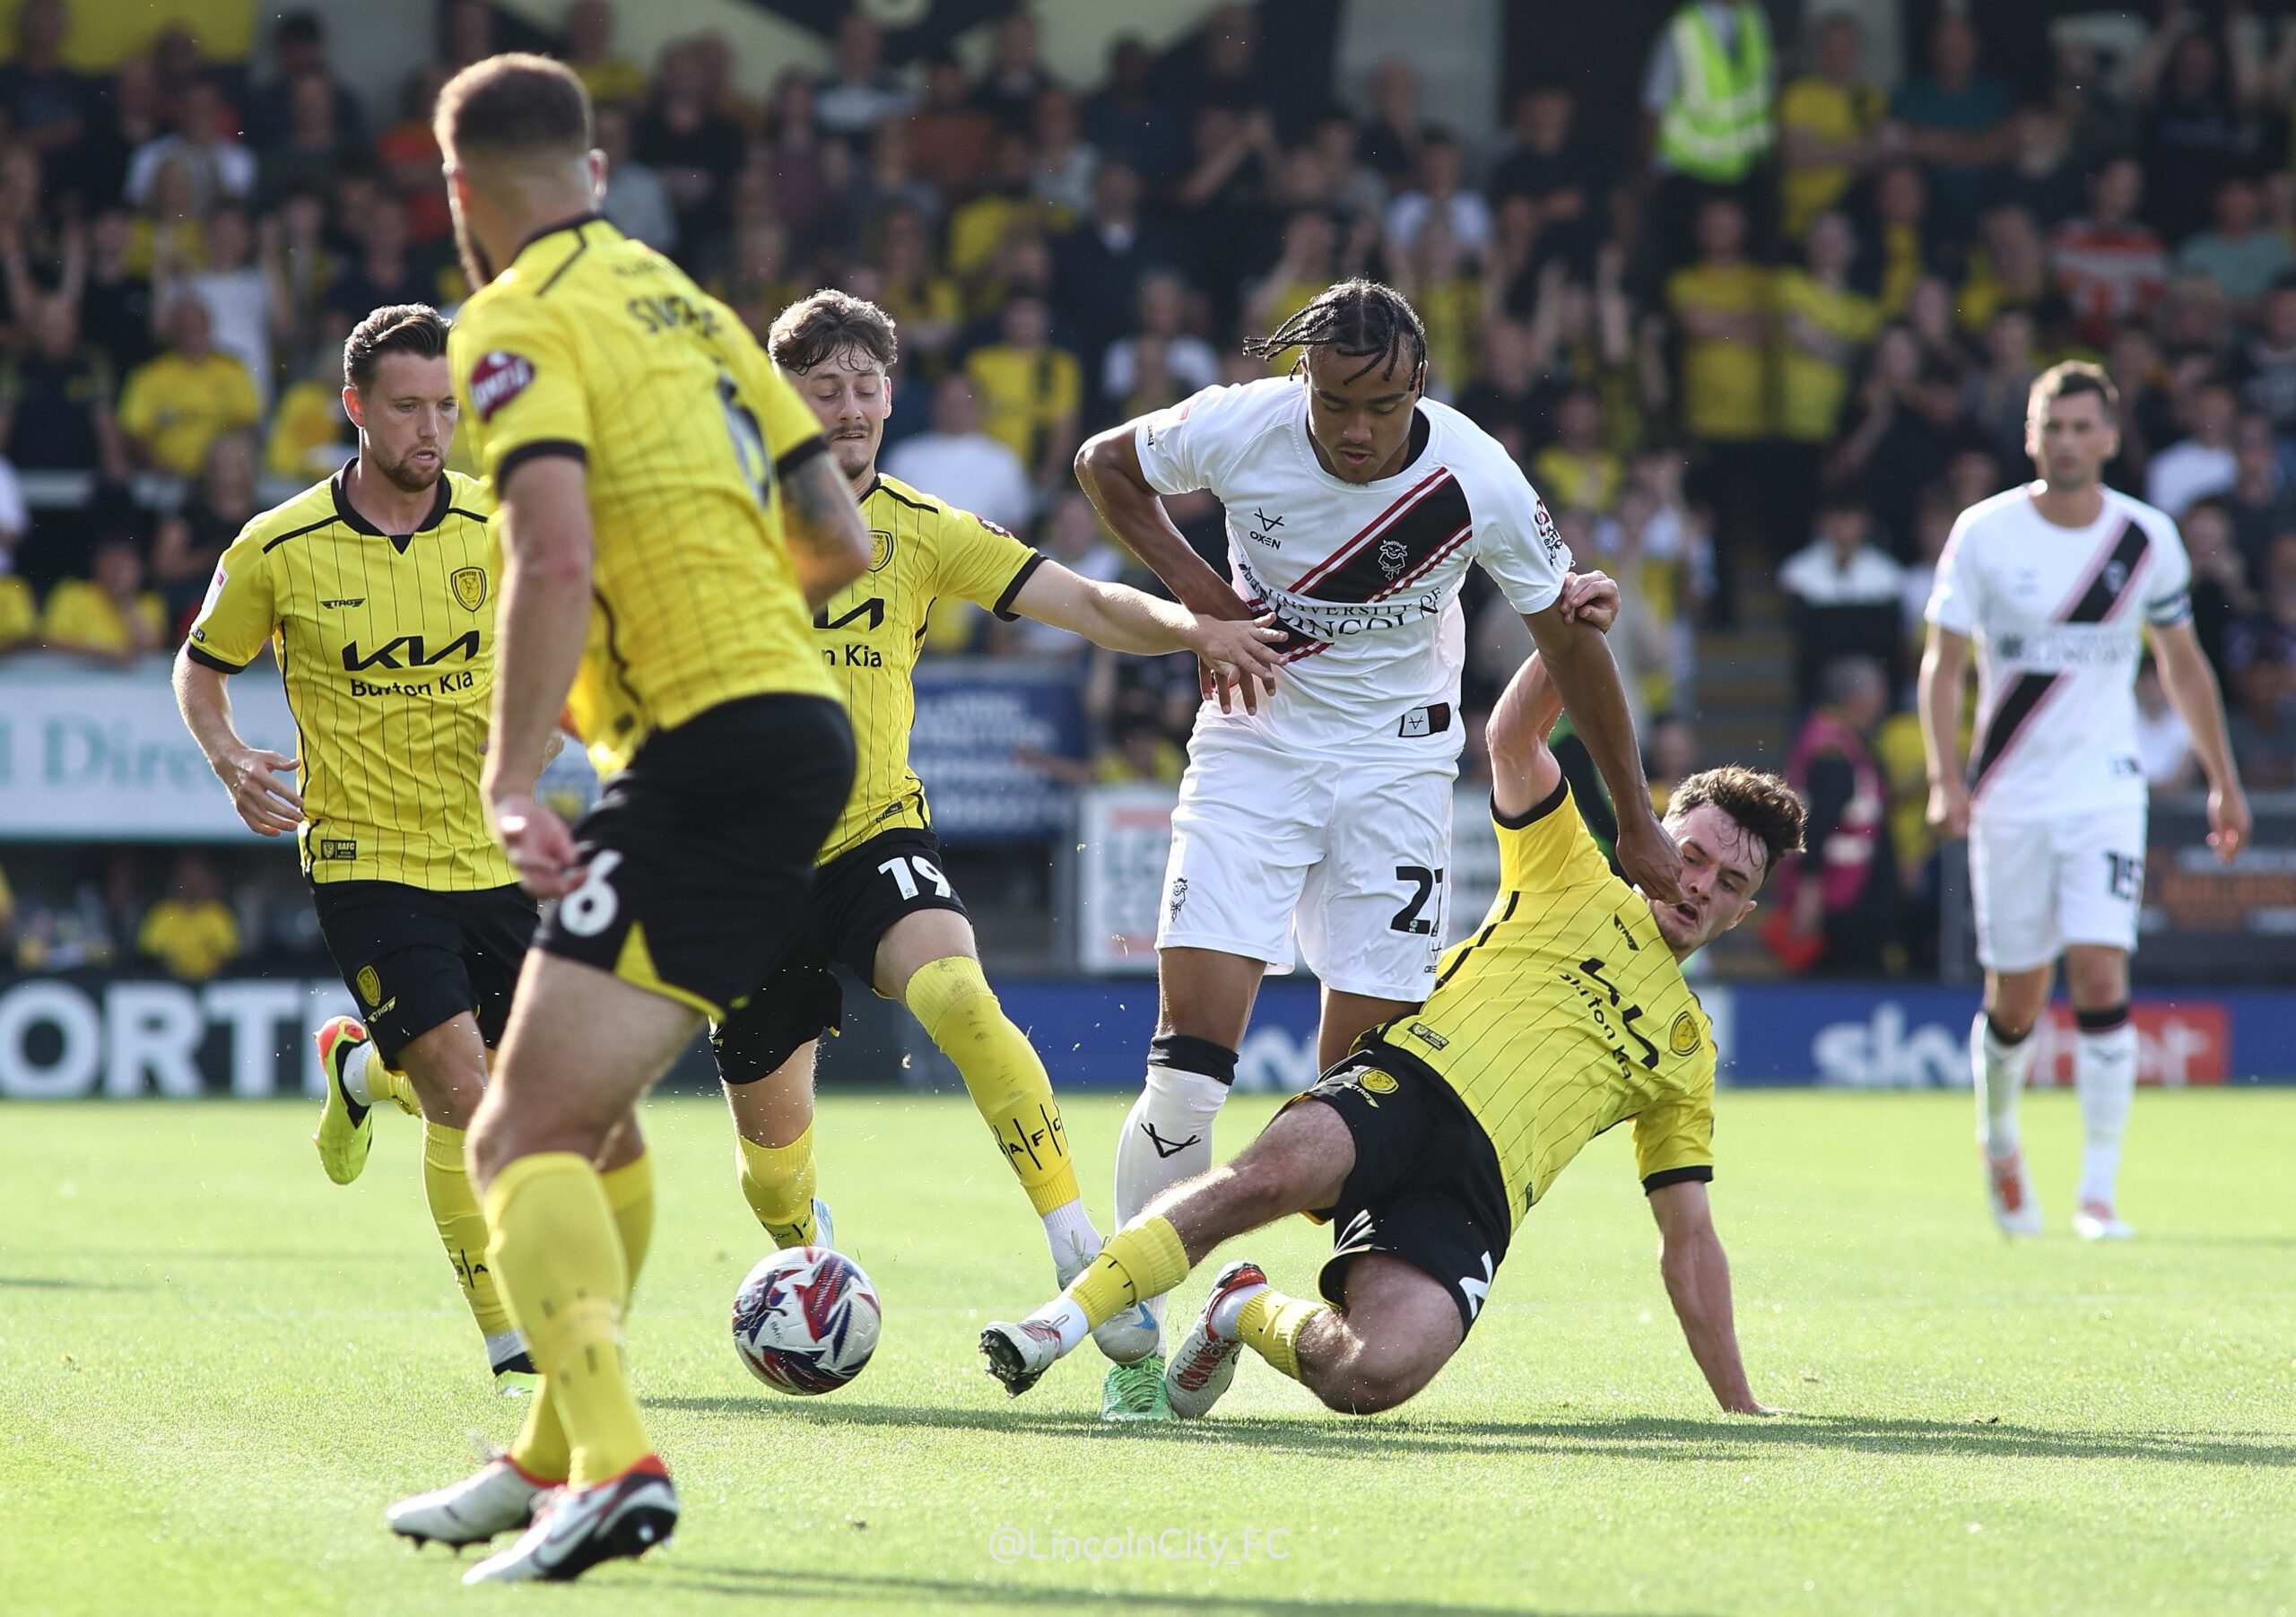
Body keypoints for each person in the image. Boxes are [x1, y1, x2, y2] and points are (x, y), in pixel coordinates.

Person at [386, 56, 873, 1582]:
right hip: (797, 721)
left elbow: (544, 549)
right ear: (593, 173)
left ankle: (613, 1459)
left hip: (706, 745)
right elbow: (841, 539)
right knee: (581, 1123)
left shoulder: (512, 320)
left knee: (510, 1131)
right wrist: (727, 625)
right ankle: (543, 1458)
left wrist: (511, 774)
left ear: (459, 194)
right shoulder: (695, 303)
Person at [1071, 278, 1682, 1418]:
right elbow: (1104, 465)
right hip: (1254, 751)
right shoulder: (1238, 424)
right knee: (1186, 1071)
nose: (1358, 430)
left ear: (1419, 391)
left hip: (1401, 774)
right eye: (1337, 404)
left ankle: (1241, 1311)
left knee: (1360, 1112)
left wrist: (1635, 819)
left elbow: (1574, 644)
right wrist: (1206, 603)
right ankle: (1136, 1352)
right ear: (1303, 382)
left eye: (1383, 408)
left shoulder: (1476, 475)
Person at [979, 581, 1796, 1422]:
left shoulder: (1687, 1049)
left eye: (1731, 881)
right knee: (1264, 1178)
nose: (1700, 884)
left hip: (1478, 1195)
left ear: (1745, 910)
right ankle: (1066, 1320)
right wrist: (1564, 634)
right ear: (1661, 829)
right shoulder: (1574, 872)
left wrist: (1740, 1404)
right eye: (1694, 853)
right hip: (1409, 1080)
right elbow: (1512, 739)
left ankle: (1241, 1307)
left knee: (1372, 1376)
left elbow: (1688, 1238)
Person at [713, 289, 1279, 1289]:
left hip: (871, 835)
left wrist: (1196, 624)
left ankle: (1073, 1244)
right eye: (823, 387)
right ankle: (802, 1252)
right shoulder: (717, 523)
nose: (848, 406)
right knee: (771, 1176)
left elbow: (1090, 603)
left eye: (866, 385)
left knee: (961, 999)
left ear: (892, 397)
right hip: (744, 872)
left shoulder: (923, 530)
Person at [174, 304, 544, 1391]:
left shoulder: (500, 523)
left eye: (446, 405)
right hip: (363, 857)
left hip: (491, 853)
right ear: (355, 409)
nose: (433, 429)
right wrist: (227, 753)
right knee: (466, 1100)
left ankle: (356, 1070)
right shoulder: (277, 545)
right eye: (408, 407)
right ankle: (509, 1338)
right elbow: (202, 666)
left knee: (514, 1099)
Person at [1919, 362, 2250, 1243]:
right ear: (2030, 436)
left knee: (2102, 973)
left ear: (2108, 437)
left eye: (2080, 427)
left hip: (2105, 789)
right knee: (2017, 997)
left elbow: (2181, 664)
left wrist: (2223, 778)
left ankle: (2097, 1193)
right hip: (2008, 797)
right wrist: (1943, 777)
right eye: (2050, 426)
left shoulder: (2146, 538)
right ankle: (1998, 1142)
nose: (2065, 441)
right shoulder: (1983, 533)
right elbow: (1942, 663)